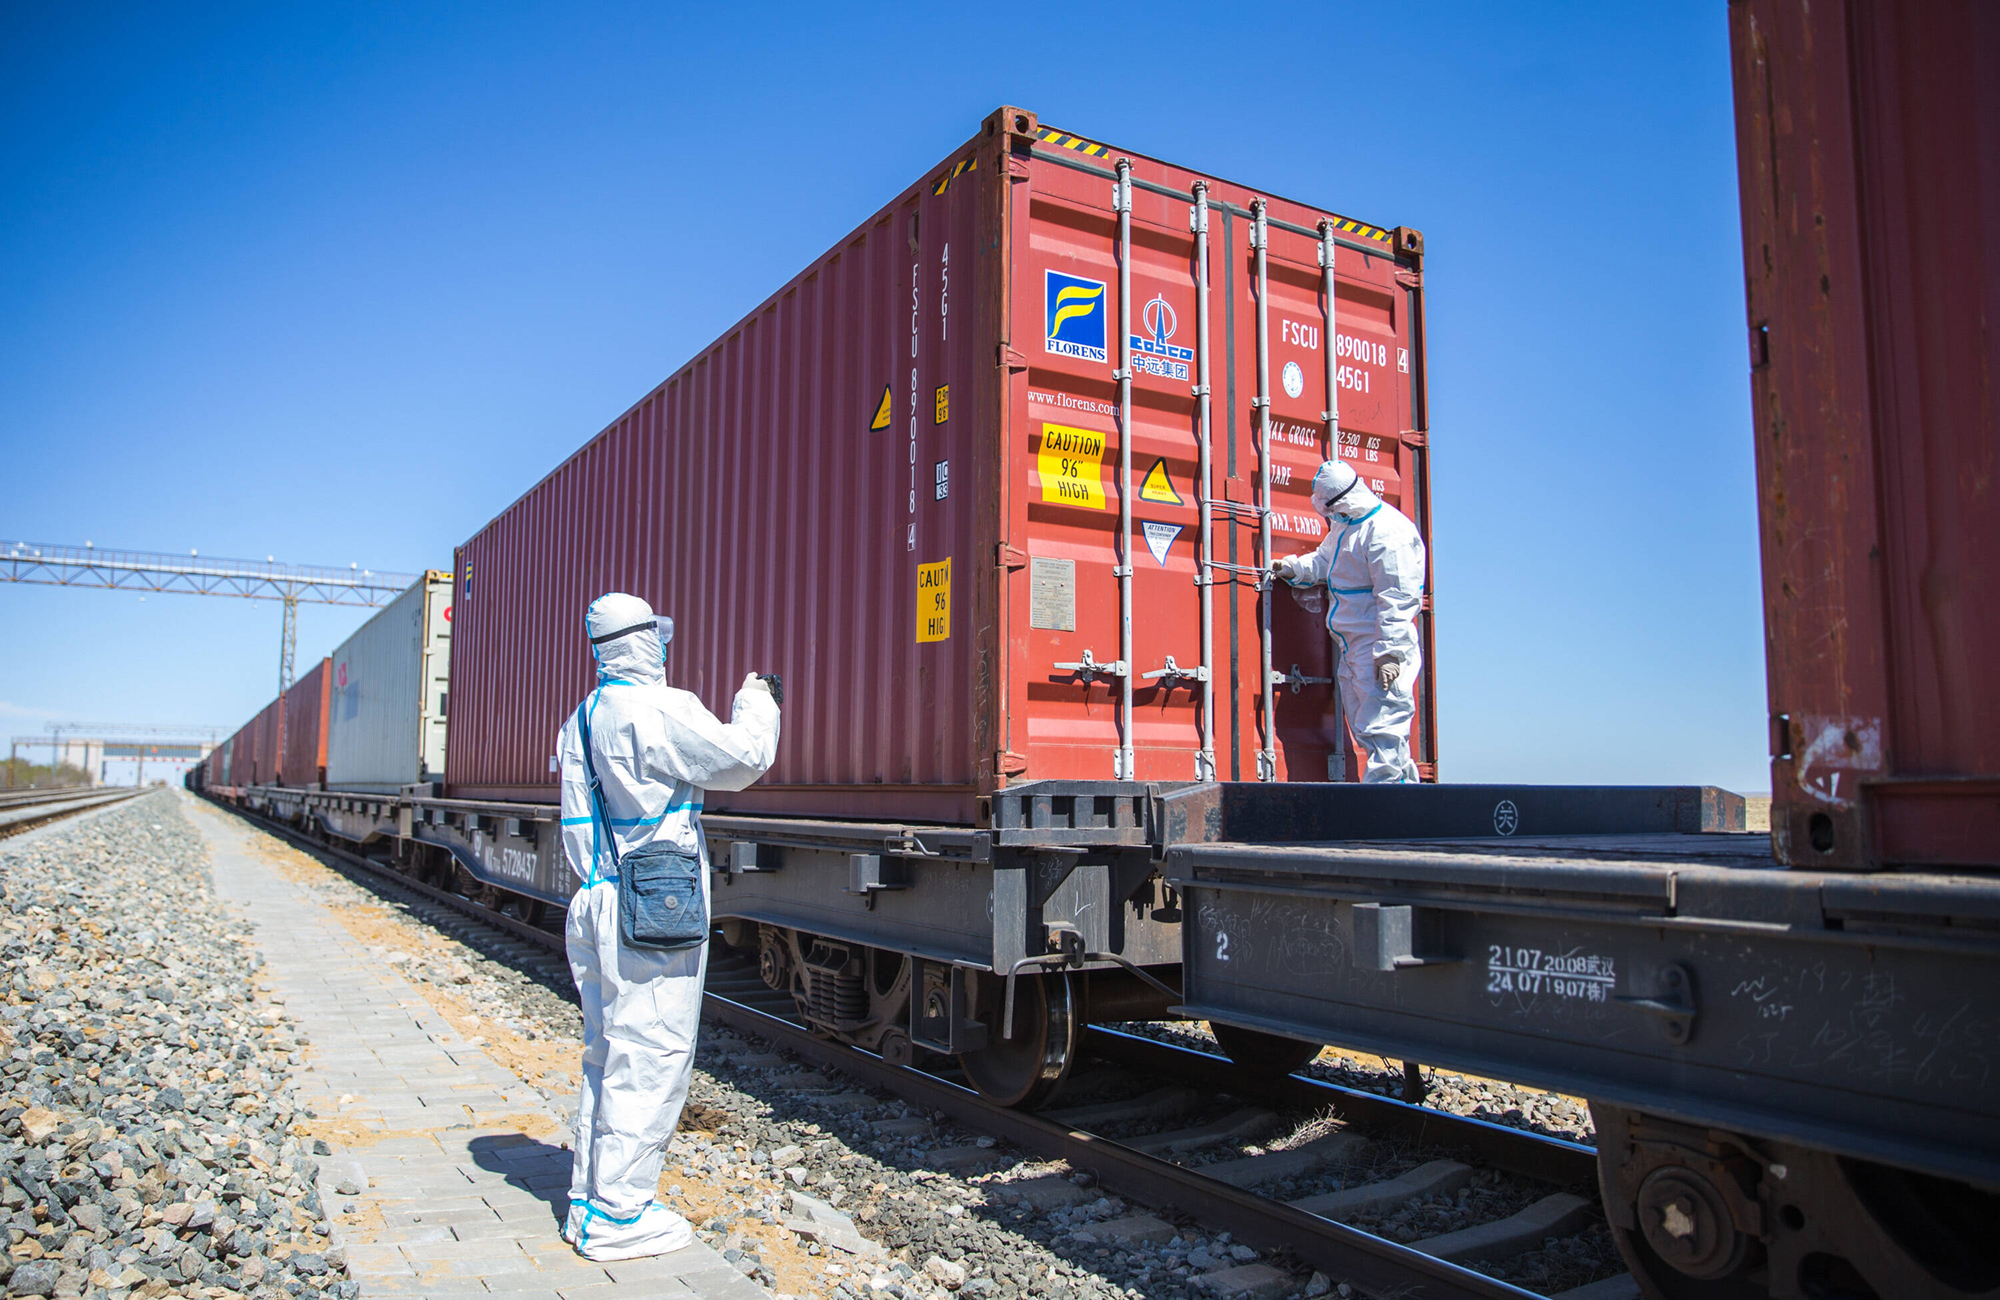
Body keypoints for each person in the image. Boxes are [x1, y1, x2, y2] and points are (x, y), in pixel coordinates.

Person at [556, 592, 781, 1260]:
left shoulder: (585, 715)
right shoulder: (659, 708)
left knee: (608, 1055)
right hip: (652, 906)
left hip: (596, 899)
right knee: (651, 1055)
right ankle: (622, 1217)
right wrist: (758, 697)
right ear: (646, 642)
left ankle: (588, 1201)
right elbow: (742, 759)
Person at [1271, 459, 1427, 783]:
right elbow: (1326, 560)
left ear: (1340, 500)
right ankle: (1402, 792)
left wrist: (1389, 652)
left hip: (1377, 644)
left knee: (1384, 724)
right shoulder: (1346, 525)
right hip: (1353, 644)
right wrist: (1294, 569)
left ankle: (1388, 804)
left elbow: (1397, 598)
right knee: (1366, 725)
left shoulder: (1388, 531)